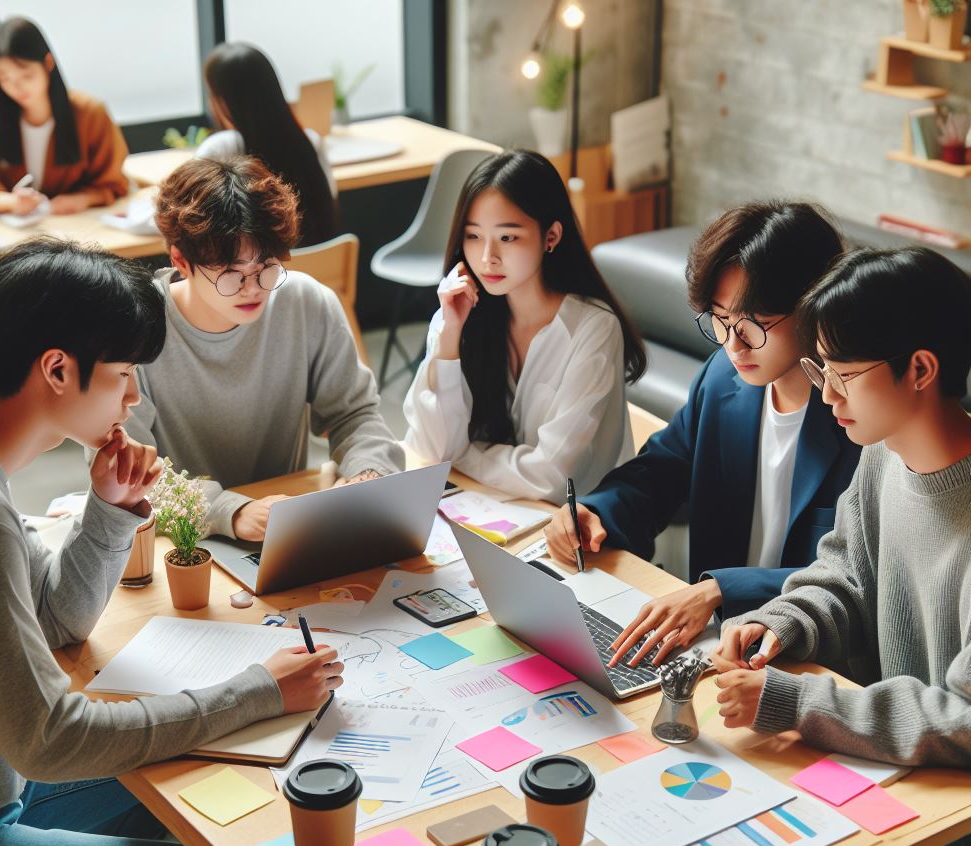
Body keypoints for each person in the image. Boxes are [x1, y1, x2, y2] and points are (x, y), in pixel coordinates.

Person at [0, 237, 344, 846]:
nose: (133, 399)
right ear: (58, 370)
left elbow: (56, 619)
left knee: (168, 788)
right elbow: (49, 742)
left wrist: (110, 508)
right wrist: (253, 690)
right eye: (125, 375)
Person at [714, 246, 971, 846]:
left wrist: (797, 701)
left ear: (920, 369)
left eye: (842, 374)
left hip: (960, 805)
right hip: (911, 776)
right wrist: (778, 625)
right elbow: (846, 576)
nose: (824, 396)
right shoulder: (887, 456)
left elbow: (965, 719)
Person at [545, 200, 860, 669]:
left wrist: (719, 591)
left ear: (812, 306)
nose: (733, 344)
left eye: (753, 324)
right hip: (709, 644)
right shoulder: (724, 379)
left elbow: (854, 575)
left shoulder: (862, 421)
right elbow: (663, 467)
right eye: (720, 319)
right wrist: (595, 511)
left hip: (803, 658)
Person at [125, 155, 403, 541]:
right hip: (183, 543)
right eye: (231, 274)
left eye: (266, 266)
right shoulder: (132, 331)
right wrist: (231, 513)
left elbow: (354, 414)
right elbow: (128, 474)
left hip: (285, 525)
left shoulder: (307, 303)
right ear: (181, 261)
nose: (253, 288)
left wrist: (368, 473)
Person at [403, 149, 646, 505]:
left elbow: (553, 477)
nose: (487, 257)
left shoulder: (593, 328)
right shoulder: (459, 311)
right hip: (494, 513)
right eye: (473, 236)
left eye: (507, 237)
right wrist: (449, 337)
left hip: (583, 534)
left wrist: (465, 455)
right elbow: (429, 446)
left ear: (551, 236)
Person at [0, 16, 128, 217]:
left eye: (26, 76)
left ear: (48, 63)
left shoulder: (90, 111)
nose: (16, 87)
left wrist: (83, 199)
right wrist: (10, 202)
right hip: (13, 232)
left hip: (76, 227)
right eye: (4, 79)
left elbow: (112, 181)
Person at [196, 41, 340, 248]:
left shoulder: (221, 149)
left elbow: (184, 212)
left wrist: (133, 219)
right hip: (313, 274)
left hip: (259, 278)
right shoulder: (310, 142)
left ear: (223, 100)